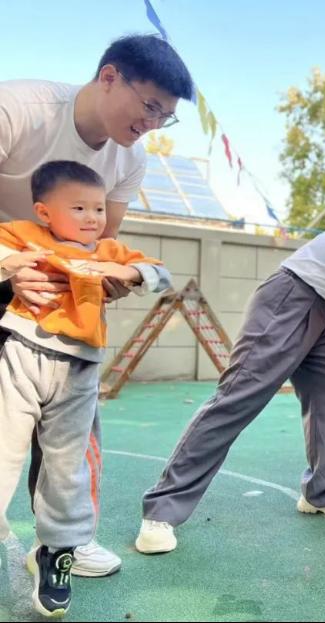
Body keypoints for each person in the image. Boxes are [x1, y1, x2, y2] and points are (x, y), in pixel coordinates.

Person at [134, 164, 325, 555]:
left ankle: (321, 491)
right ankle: (161, 511)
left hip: (318, 311)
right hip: (287, 302)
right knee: (237, 399)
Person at [0, 33, 193, 576]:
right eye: (150, 106)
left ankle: (68, 539)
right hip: (6, 257)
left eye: (166, 116)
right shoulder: (16, 109)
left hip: (56, 292)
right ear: (109, 77)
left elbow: (104, 243)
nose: (153, 123)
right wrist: (10, 266)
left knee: (73, 419)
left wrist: (115, 279)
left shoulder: (130, 159)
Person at [0, 161, 172, 617]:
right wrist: (10, 264)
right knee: (4, 450)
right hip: (22, 353)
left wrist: (126, 274)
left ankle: (57, 552)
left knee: (66, 465)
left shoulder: (108, 250)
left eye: (98, 208)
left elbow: (159, 273)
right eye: (78, 208)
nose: (93, 217)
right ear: (44, 212)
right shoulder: (26, 234)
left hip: (78, 368)